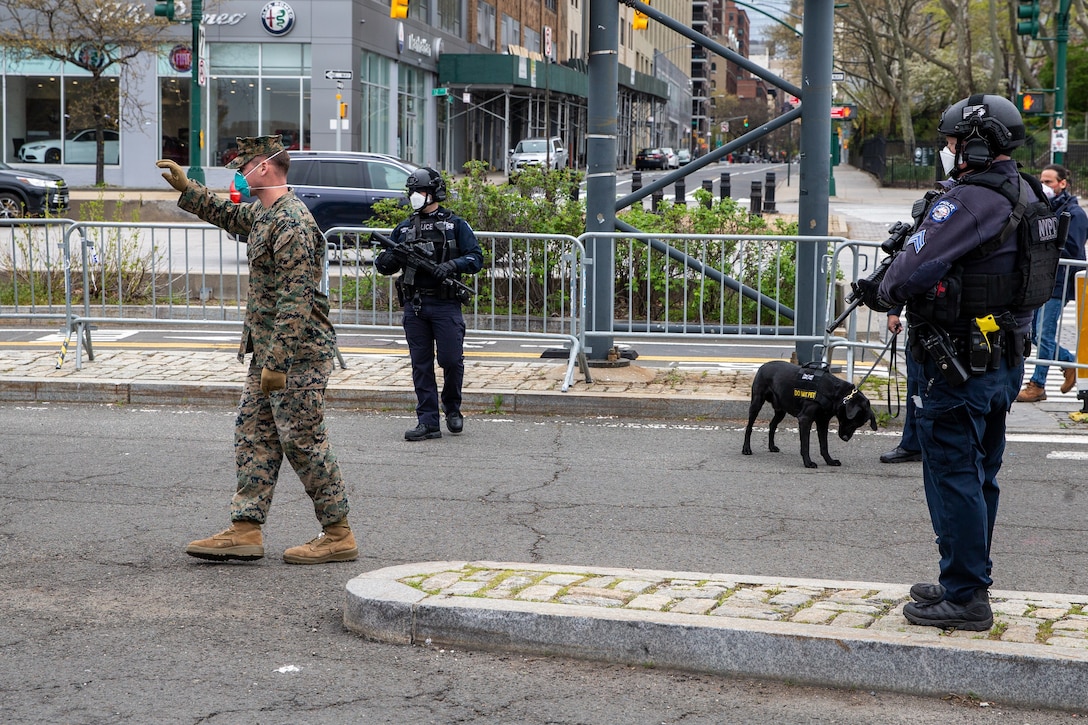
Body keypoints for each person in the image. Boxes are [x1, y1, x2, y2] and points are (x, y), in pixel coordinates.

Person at [861, 94, 1056, 630]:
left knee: (952, 474)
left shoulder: (969, 200)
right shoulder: (1027, 192)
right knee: (981, 473)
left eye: (950, 141)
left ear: (975, 142)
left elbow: (905, 275)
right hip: (1001, 358)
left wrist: (884, 291)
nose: (946, 151)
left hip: (954, 363)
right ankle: (962, 577)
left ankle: (967, 595)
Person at [155, 136, 357, 565]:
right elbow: (228, 213)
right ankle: (246, 529)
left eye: (242, 164)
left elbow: (297, 297)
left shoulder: (292, 222)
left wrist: (278, 363)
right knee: (254, 435)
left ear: (264, 167)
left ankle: (338, 532)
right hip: (269, 351)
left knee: (303, 440)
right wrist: (187, 189)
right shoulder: (266, 214)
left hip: (297, 354)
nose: (238, 172)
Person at [374, 167, 484, 441]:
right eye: (412, 192)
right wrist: (388, 261)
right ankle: (428, 421)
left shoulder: (455, 224)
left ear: (433, 193)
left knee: (450, 360)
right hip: (416, 305)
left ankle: (452, 407)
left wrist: (450, 265)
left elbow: (476, 258)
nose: (415, 196)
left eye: (419, 191)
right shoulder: (404, 227)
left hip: (446, 305)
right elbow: (384, 263)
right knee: (420, 365)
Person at [1015, 163, 1088, 402]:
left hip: (1057, 284)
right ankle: (1068, 363)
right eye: (1042, 181)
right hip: (1043, 281)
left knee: (1043, 334)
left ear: (1062, 184)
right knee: (1035, 333)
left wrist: (1043, 248)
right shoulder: (1048, 208)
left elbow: (1073, 250)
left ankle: (1038, 385)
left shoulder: (1075, 213)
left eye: (1049, 182)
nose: (1044, 185)